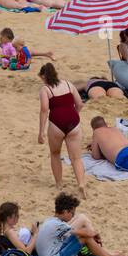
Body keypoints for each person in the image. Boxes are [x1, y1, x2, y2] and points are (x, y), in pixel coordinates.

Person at [35, 192, 128, 256]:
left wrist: (91, 234)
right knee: (85, 238)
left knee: (82, 235)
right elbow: (85, 233)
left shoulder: (50, 220)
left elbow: (77, 232)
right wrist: (95, 234)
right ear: (65, 212)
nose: (73, 216)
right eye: (72, 213)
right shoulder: (58, 225)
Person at [38, 61, 87, 195]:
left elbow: (44, 110)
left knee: (55, 154)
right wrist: (74, 115)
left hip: (56, 123)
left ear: (43, 76)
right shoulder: (68, 84)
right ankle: (81, 183)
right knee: (76, 158)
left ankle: (59, 184)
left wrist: (41, 132)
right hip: (73, 122)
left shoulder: (45, 89)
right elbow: (80, 104)